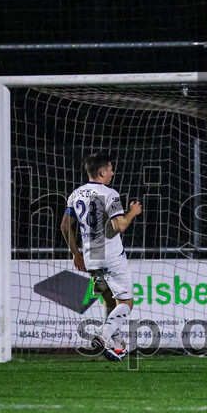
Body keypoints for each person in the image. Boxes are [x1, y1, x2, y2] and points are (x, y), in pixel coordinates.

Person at [61, 151, 142, 361]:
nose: (113, 173)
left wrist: (76, 253)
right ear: (102, 171)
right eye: (111, 169)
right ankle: (104, 336)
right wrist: (132, 212)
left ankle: (117, 346)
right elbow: (119, 226)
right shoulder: (110, 194)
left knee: (108, 299)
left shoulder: (75, 194)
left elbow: (64, 226)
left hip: (90, 256)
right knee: (126, 302)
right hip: (111, 255)